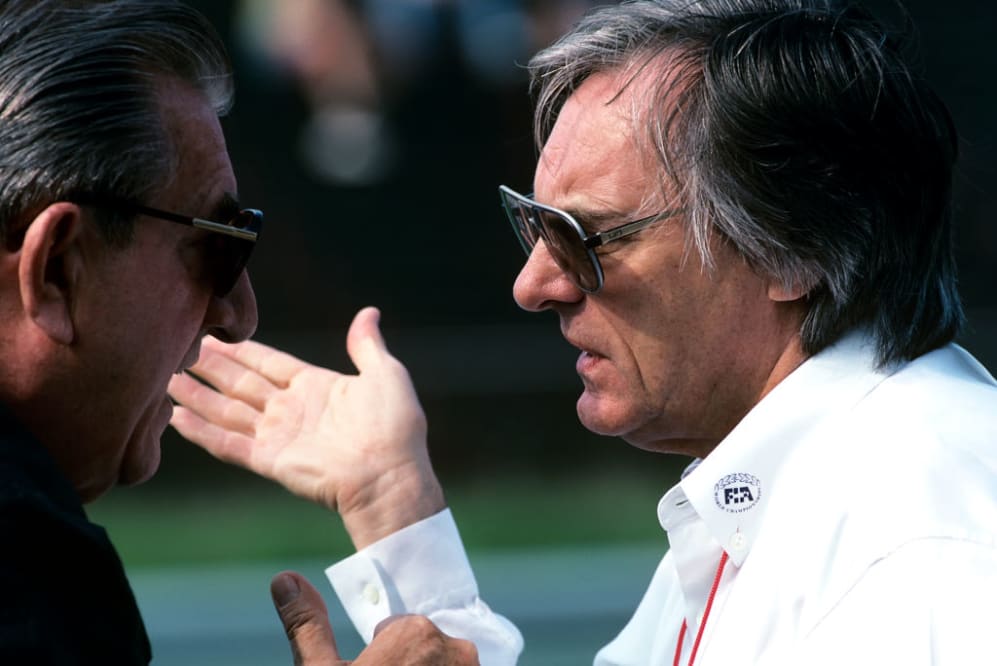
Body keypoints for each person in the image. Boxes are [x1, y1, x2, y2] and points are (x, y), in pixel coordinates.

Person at [169, 0, 997, 664]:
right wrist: (397, 512)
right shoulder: (809, 486)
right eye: (532, 226)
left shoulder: (925, 544)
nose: (533, 285)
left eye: (586, 236)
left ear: (795, 246)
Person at [0, 1, 472, 664]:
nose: (238, 313)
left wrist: (395, 505)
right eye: (219, 247)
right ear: (55, 270)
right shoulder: (28, 572)